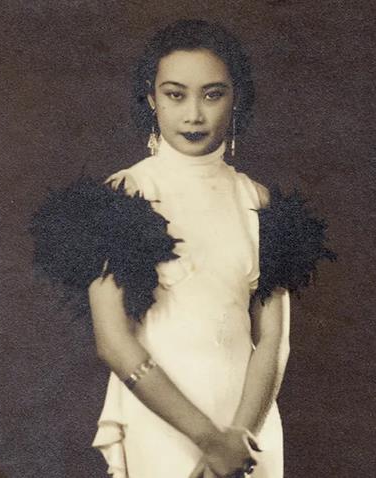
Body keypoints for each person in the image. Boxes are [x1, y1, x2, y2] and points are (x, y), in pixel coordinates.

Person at [89, 20, 286, 478]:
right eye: (176, 95)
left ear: (235, 99)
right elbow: (112, 341)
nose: (194, 115)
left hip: (249, 425)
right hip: (163, 418)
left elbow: (273, 339)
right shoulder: (124, 194)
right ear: (152, 98)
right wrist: (208, 440)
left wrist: (238, 437)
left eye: (212, 95)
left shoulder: (261, 202)